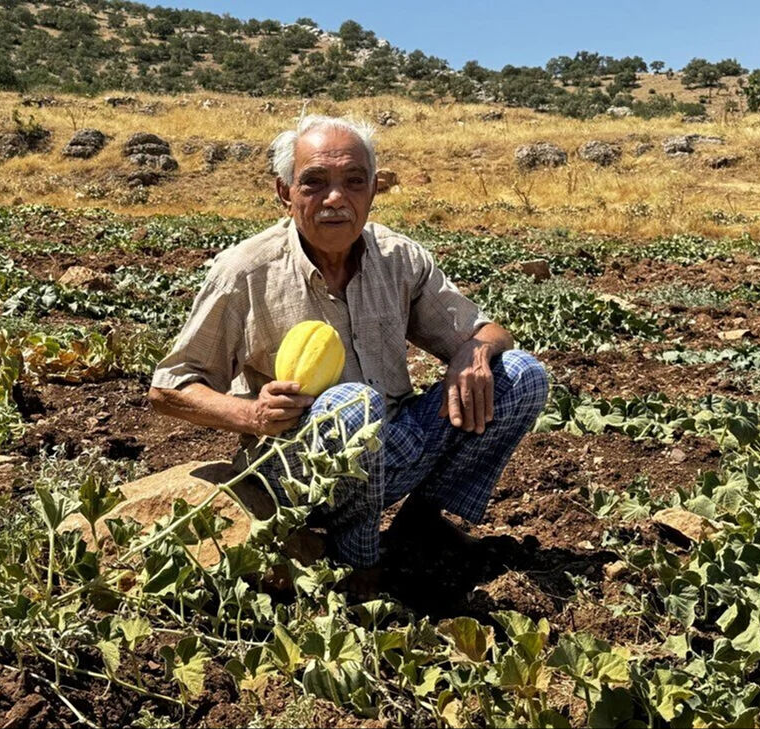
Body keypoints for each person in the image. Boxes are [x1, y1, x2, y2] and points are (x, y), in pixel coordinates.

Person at [148, 115, 548, 597]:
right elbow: (168, 387)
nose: (335, 198)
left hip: (397, 443)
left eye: (353, 182)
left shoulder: (400, 259)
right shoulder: (246, 272)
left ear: (373, 191)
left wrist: (475, 352)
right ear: (284, 192)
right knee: (353, 404)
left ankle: (421, 522)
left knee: (521, 375)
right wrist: (252, 413)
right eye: (314, 183)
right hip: (299, 468)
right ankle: (353, 559)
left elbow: (486, 330)